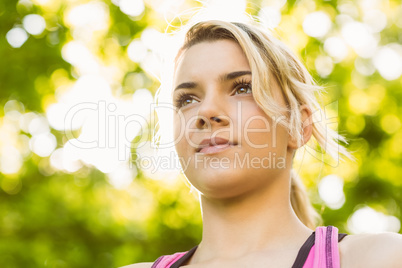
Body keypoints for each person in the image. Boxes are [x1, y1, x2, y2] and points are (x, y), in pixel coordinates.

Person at [123, 19, 402, 268]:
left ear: (298, 126)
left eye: (242, 88)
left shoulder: (378, 259)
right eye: (187, 99)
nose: (205, 111)